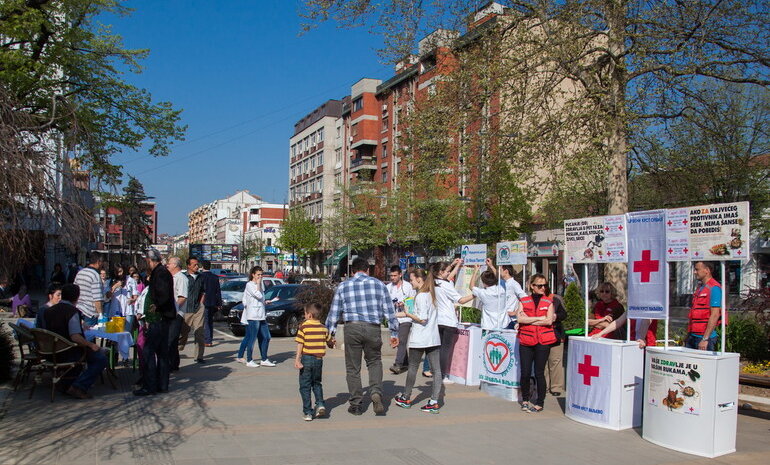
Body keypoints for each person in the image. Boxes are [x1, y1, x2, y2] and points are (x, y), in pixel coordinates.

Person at [325, 257, 399, 416]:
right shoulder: (379, 285)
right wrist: (394, 333)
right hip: (373, 328)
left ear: (352, 271)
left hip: (352, 327)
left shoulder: (344, 286)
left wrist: (329, 334)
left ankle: (356, 404)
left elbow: (334, 312)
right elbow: (389, 311)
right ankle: (376, 392)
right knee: (374, 361)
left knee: (353, 367)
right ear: (367, 270)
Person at [43, 284, 108, 399]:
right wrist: (91, 344)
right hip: (68, 351)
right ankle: (79, 386)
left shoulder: (48, 311)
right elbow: (75, 337)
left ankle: (68, 383)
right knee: (100, 358)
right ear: (77, 297)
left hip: (51, 351)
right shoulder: (72, 311)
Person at [394, 269, 443, 413]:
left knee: (413, 368)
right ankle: (434, 401)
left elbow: (421, 318)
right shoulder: (431, 294)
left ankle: (406, 397)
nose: (411, 282)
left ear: (419, 280)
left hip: (420, 338)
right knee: (437, 370)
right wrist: (396, 313)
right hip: (432, 337)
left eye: (412, 279)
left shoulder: (421, 296)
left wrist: (407, 313)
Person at [134, 248, 176, 396]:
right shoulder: (160, 273)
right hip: (161, 318)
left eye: (146, 261)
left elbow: (163, 295)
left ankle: (150, 385)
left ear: (150, 260)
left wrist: (155, 306)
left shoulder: (161, 273)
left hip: (159, 318)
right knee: (161, 353)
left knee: (148, 352)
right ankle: (161, 384)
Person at [516, 274, 556, 413]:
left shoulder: (548, 302)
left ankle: (540, 402)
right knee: (525, 372)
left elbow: (549, 321)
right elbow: (520, 319)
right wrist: (539, 318)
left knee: (539, 372)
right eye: (539, 285)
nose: (543, 288)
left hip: (542, 342)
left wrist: (530, 319)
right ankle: (525, 399)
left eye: (545, 285)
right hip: (526, 341)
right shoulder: (524, 301)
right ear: (532, 286)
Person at [294, 302, 329, 421]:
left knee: (305, 386)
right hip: (319, 360)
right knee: (317, 383)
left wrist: (297, 359)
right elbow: (329, 341)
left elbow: (300, 343)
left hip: (307, 358)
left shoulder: (303, 327)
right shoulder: (324, 328)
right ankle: (320, 404)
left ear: (309, 315)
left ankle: (308, 412)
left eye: (304, 313)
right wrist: (332, 343)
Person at [432, 260, 463, 385]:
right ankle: (443, 375)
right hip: (448, 321)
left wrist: (455, 265)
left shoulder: (433, 283)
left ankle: (436, 373)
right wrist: (476, 294)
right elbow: (460, 299)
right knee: (445, 350)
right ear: (441, 272)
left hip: (438, 320)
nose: (449, 273)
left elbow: (447, 276)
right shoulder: (446, 285)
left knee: (439, 349)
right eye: (447, 271)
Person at [236, 266, 275, 367]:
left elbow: (260, 298)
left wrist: (265, 302)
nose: (260, 277)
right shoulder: (250, 285)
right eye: (258, 275)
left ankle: (264, 359)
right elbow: (258, 295)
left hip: (261, 315)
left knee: (267, 337)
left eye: (261, 274)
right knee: (251, 338)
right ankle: (249, 360)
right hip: (253, 316)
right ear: (253, 274)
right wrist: (258, 284)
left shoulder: (259, 285)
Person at [686, 261, 724, 351]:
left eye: (697, 269)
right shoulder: (701, 288)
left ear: (707, 270)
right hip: (692, 336)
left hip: (704, 338)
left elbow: (715, 315)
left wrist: (705, 338)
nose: (695, 272)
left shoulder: (714, 288)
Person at [458, 264, 507, 330]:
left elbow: (471, 287)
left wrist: (475, 271)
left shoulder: (483, 293)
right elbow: (500, 278)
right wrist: (491, 265)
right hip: (503, 324)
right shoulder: (502, 289)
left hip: (488, 326)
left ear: (484, 283)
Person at [387, 265, 415, 374]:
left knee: (402, 340)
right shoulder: (388, 287)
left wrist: (404, 303)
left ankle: (398, 364)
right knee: (399, 342)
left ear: (400, 275)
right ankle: (406, 363)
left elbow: (413, 300)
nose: (392, 278)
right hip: (394, 318)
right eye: (391, 276)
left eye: (395, 275)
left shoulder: (408, 286)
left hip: (406, 317)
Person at [179, 257, 206, 363]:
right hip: (186, 309)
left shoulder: (200, 277)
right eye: (194, 265)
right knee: (183, 333)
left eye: (197, 264)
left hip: (198, 308)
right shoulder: (183, 277)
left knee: (199, 332)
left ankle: (199, 356)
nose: (197, 266)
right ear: (188, 266)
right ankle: (176, 350)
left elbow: (203, 291)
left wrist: (201, 303)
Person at [544, 286, 568, 397]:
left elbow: (564, 314)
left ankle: (556, 387)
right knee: (543, 363)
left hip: (556, 334)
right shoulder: (532, 300)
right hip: (541, 335)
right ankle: (544, 386)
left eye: (543, 286)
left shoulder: (555, 299)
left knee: (555, 361)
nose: (541, 288)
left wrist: (556, 316)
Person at [73, 252, 106, 327]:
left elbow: (74, 291)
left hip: (78, 310)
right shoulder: (95, 275)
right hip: (90, 313)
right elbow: (97, 298)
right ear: (98, 262)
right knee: (89, 336)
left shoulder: (80, 273)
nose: (102, 265)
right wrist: (100, 314)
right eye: (102, 262)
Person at [167, 257, 188, 372]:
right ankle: (173, 364)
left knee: (171, 340)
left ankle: (172, 364)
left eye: (169, 263)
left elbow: (182, 297)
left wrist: (173, 309)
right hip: (170, 313)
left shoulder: (181, 278)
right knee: (171, 340)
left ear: (175, 265)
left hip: (176, 313)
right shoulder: (172, 277)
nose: (167, 265)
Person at [199, 260, 222, 347]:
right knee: (210, 321)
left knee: (205, 321)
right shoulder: (215, 277)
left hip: (203, 301)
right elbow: (218, 291)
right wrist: (219, 303)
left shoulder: (200, 276)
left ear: (202, 267)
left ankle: (207, 340)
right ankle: (209, 339)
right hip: (212, 302)